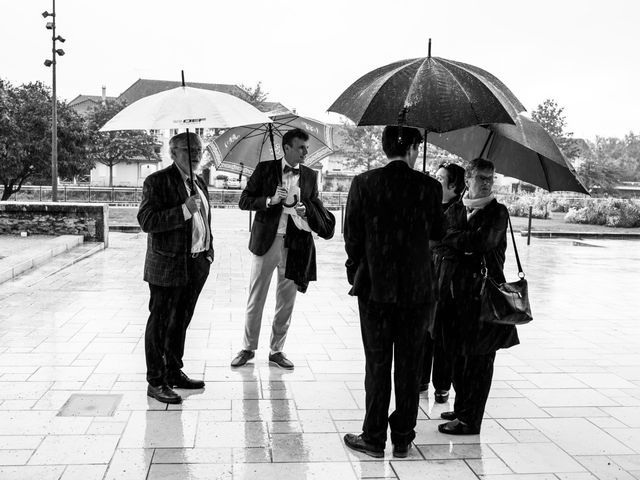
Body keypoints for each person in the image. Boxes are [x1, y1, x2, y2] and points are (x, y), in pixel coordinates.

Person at [343, 126, 444, 458]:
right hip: (417, 289)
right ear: (414, 148)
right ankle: (402, 436)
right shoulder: (430, 187)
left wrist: (360, 265)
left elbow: (352, 236)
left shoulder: (363, 183)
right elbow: (437, 235)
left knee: (377, 362)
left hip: (374, 286)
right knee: (410, 364)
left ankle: (373, 437)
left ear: (385, 147)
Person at [231, 128, 334, 370]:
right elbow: (244, 201)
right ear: (286, 147)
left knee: (286, 300)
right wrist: (269, 200)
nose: (305, 152)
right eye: (301, 147)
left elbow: (314, 205)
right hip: (267, 241)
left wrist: (305, 210)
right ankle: (248, 347)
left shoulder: (310, 175)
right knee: (256, 297)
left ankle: (277, 350)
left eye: (306, 148)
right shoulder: (265, 169)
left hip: (296, 244)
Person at [437, 158, 520, 435]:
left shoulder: (498, 212)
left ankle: (471, 421)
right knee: (458, 356)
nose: (486, 182)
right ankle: (463, 408)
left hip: (485, 298)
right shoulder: (456, 209)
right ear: (468, 179)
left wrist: (456, 240)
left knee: (480, 362)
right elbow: (443, 240)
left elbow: (482, 243)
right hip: (455, 296)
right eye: (481, 177)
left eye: (490, 178)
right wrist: (460, 242)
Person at [138, 132, 213, 404]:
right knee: (160, 323)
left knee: (180, 321)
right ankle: (155, 381)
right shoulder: (157, 181)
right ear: (173, 152)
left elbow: (204, 221)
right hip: (166, 265)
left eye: (198, 149)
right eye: (187, 149)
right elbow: (146, 220)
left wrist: (208, 253)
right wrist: (183, 209)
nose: (194, 154)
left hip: (196, 263)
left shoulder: (200, 182)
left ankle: (173, 371)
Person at [420, 162, 466, 403]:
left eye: (441, 178)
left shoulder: (460, 210)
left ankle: (442, 383)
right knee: (424, 329)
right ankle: (421, 378)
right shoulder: (429, 205)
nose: (435, 181)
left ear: (454, 184)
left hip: (447, 278)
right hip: (426, 274)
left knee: (442, 333)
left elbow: (451, 240)